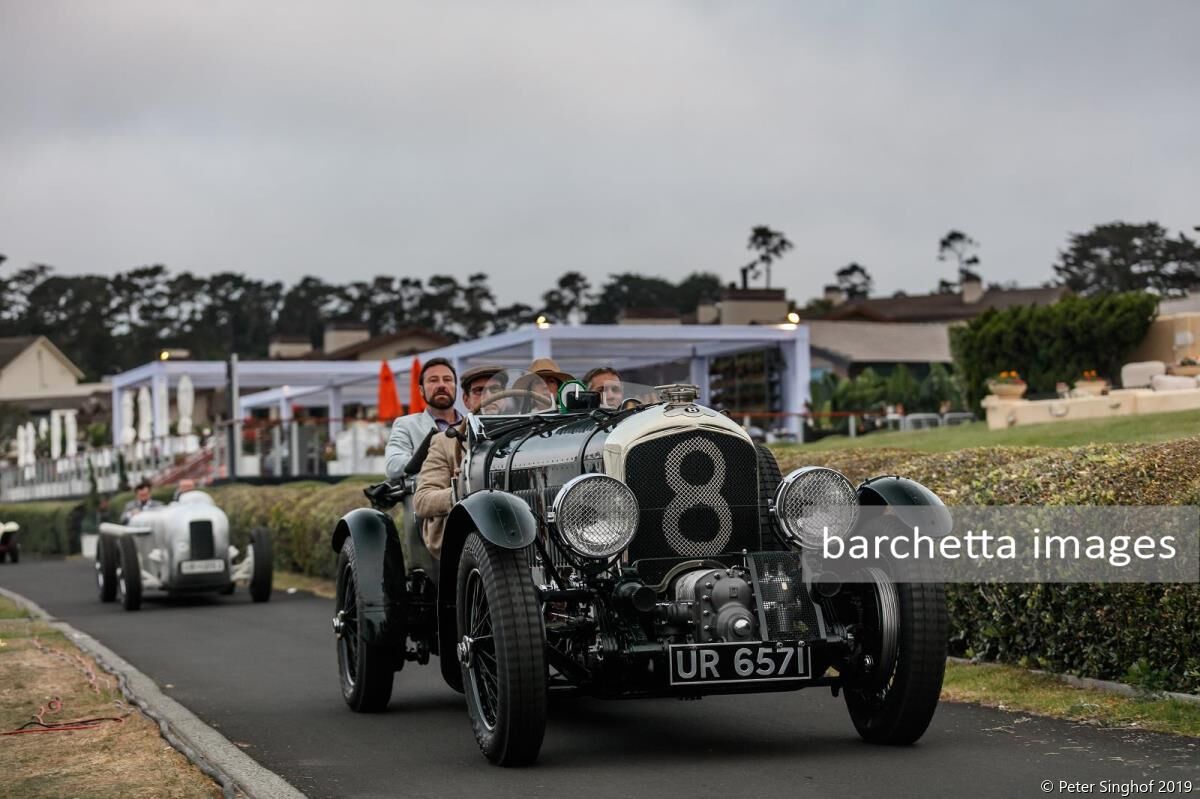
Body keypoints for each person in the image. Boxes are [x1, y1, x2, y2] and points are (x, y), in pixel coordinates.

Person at [384, 358, 462, 481]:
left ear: (455, 387)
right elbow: (393, 466)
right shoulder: (406, 425)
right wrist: (437, 462)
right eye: (433, 380)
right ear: (421, 390)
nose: (441, 385)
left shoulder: (472, 426)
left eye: (447, 380)